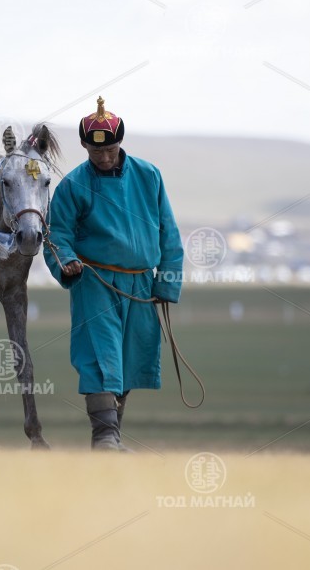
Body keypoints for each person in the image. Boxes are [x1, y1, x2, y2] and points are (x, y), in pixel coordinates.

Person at [44, 96, 184, 450]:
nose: (104, 158)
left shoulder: (149, 176)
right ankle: (104, 437)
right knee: (99, 354)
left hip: (141, 283)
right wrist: (66, 261)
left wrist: (166, 282)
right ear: (85, 146)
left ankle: (114, 435)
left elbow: (168, 231)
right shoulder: (72, 186)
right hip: (95, 281)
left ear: (121, 142)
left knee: (129, 358)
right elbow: (57, 235)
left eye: (110, 150)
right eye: (96, 152)